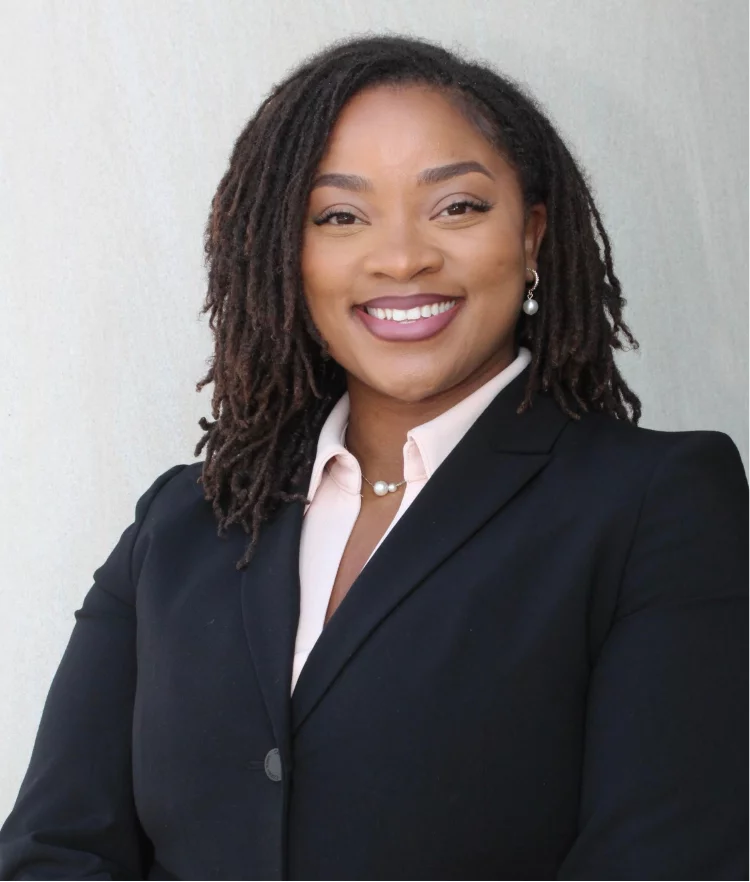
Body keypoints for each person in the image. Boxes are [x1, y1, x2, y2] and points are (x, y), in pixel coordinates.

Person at [0, 33, 747, 881]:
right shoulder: (182, 523)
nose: (401, 257)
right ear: (288, 255)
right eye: (340, 217)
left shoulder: (658, 504)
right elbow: (52, 851)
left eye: (456, 207)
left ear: (532, 236)